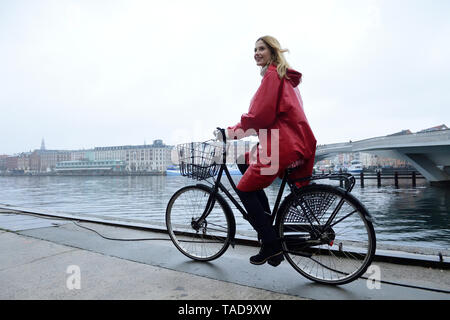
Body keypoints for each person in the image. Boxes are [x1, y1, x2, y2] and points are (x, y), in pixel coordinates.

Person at [217, 36, 317, 266]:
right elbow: (264, 119)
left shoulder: (273, 75)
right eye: (254, 49)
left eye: (261, 48)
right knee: (244, 161)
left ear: (273, 52)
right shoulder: (281, 76)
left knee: (243, 189)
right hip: (285, 139)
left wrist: (229, 133)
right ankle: (268, 224)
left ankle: (271, 244)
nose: (256, 52)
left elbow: (259, 118)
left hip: (281, 143)